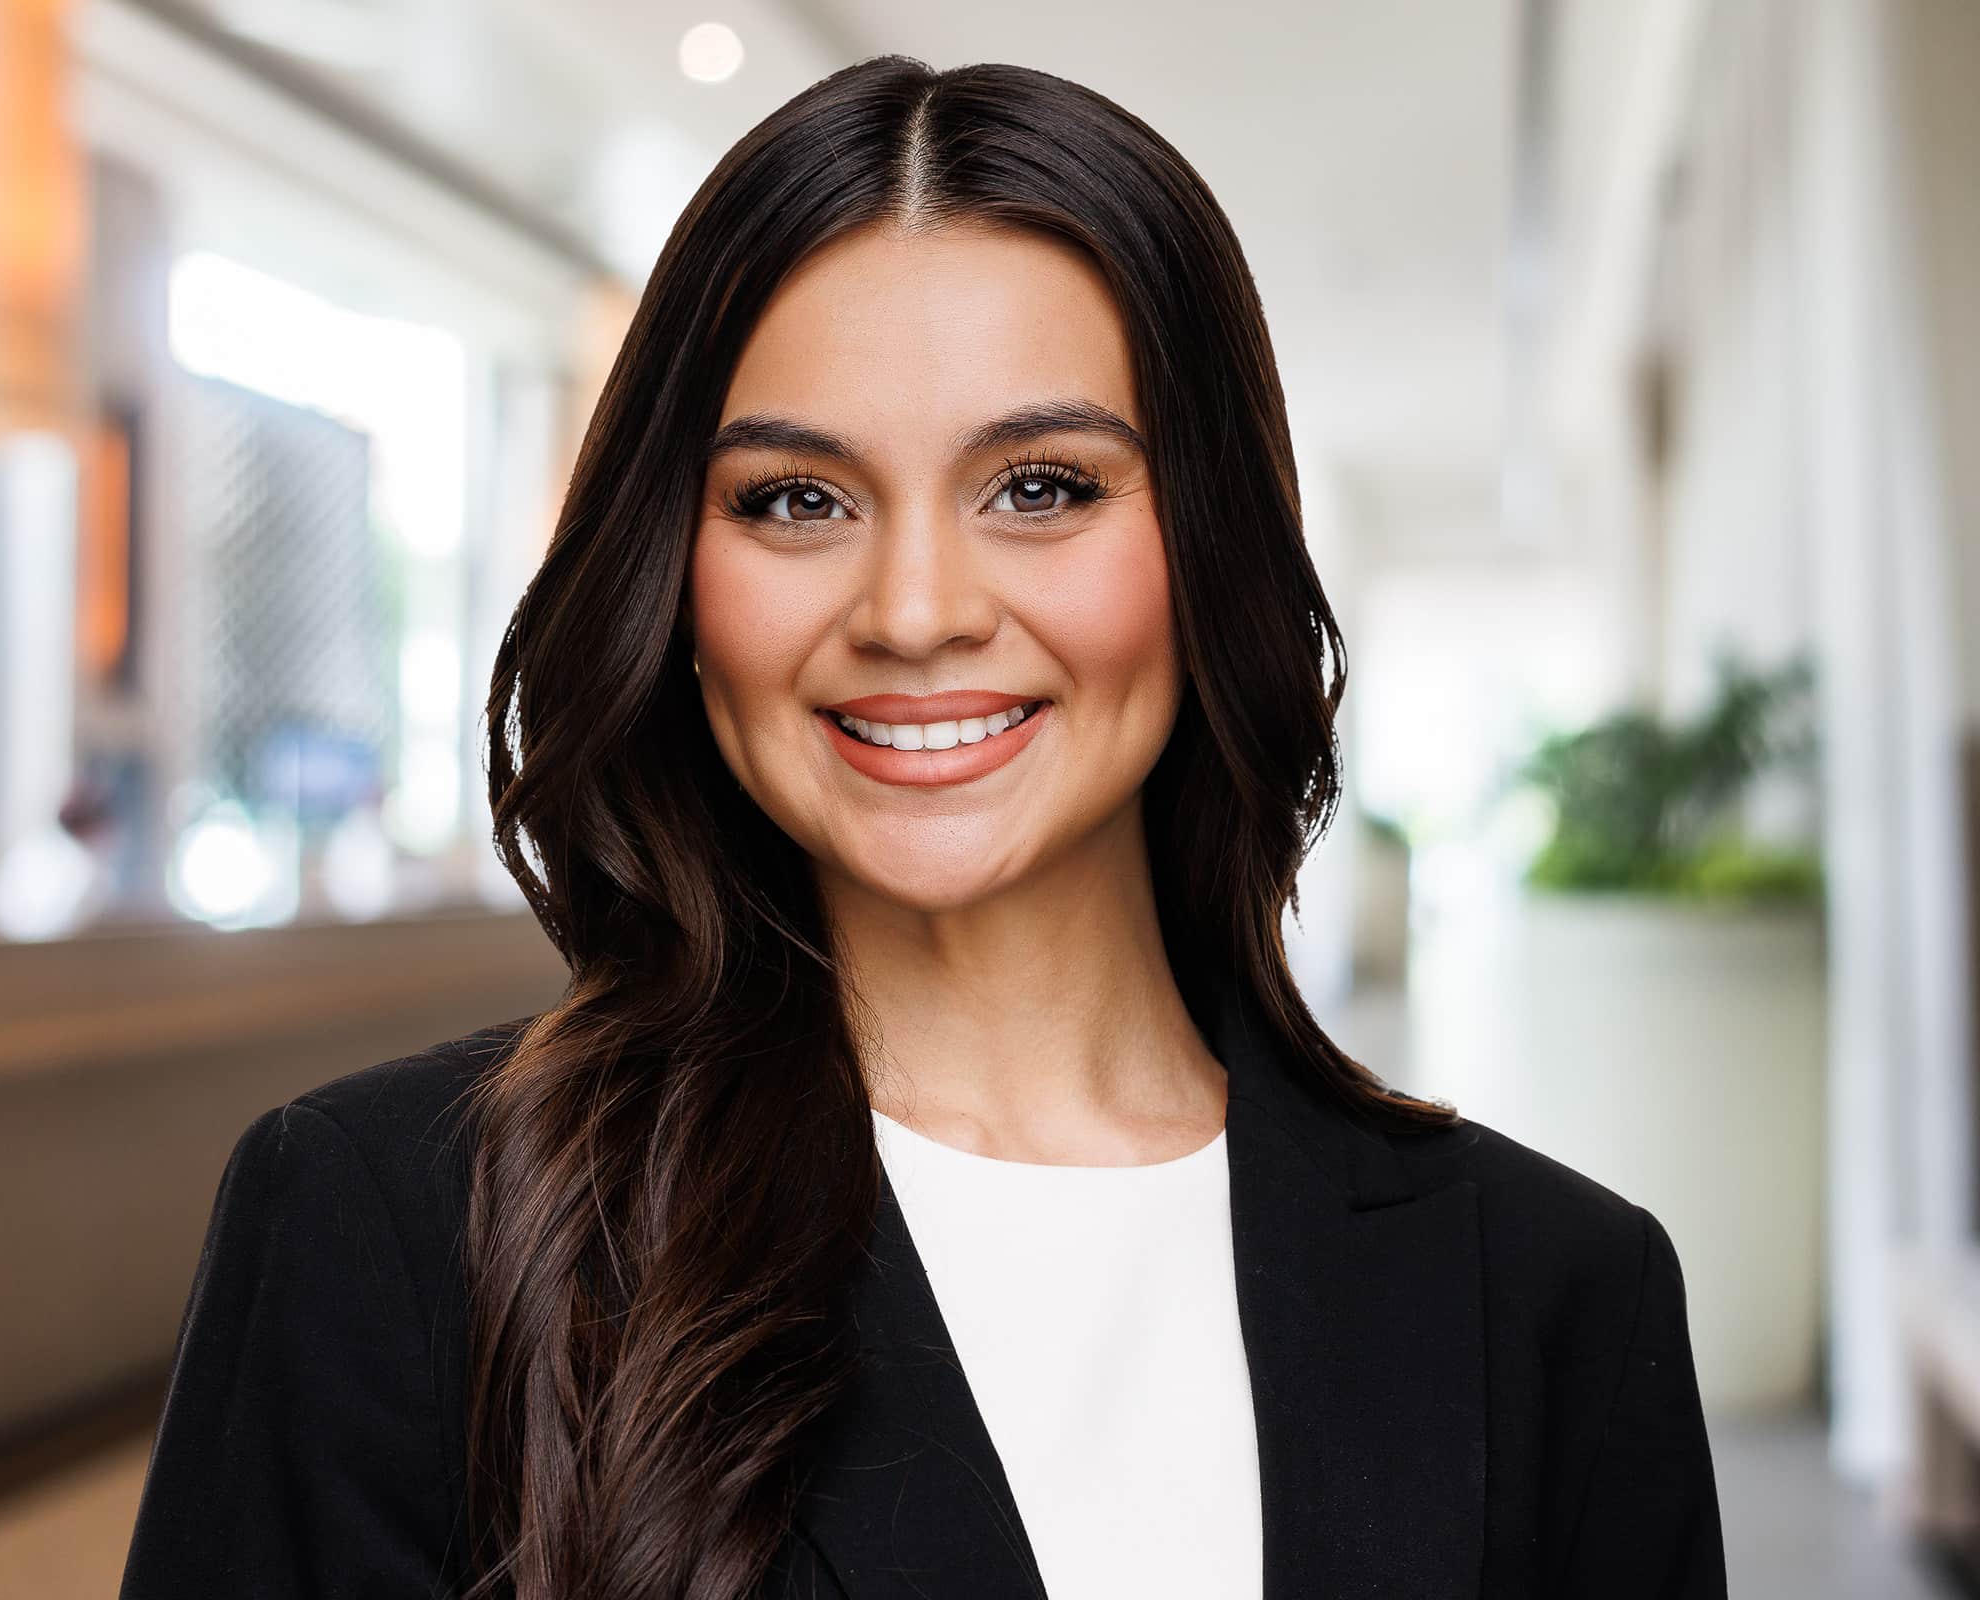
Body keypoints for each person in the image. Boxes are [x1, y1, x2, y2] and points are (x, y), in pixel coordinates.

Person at [118, 54, 1727, 1600]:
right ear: (676, 582)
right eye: (795, 501)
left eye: (1040, 485)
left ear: (1214, 542)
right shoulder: (390, 1227)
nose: (912, 612)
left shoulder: (1554, 1295)